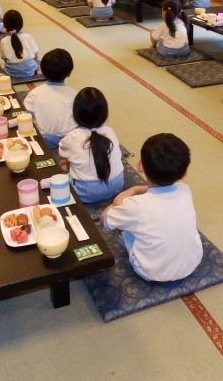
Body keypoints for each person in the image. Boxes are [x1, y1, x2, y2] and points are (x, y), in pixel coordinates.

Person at [101, 133, 202, 283]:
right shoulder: (185, 190)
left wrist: (130, 192)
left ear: (140, 165)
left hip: (150, 272)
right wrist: (139, 190)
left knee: (126, 230)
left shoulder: (136, 206)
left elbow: (105, 220)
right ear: (185, 171)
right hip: (191, 263)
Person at [59, 87, 124, 203]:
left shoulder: (73, 137)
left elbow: (61, 151)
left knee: (66, 163)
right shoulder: (110, 131)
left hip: (86, 193)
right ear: (105, 113)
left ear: (75, 113)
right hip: (117, 186)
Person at [24, 49, 77, 149]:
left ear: (42, 71)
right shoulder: (76, 95)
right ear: (69, 72)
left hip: (43, 140)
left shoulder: (34, 93)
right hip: (70, 140)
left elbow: (26, 117)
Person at [0, 10, 39, 78]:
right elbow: (36, 56)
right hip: (29, 70)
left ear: (5, 25)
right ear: (21, 24)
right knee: (37, 64)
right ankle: (37, 69)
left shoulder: (3, 41)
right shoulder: (28, 36)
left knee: (1, 65)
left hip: (11, 72)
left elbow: (4, 59)